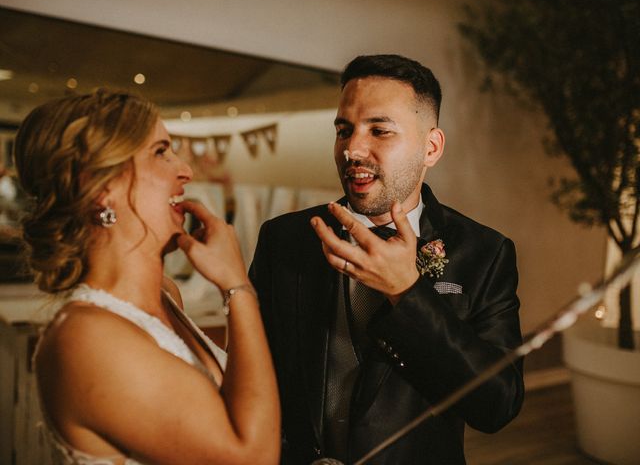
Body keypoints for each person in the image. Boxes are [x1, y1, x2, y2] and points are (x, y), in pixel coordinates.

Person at [249, 54, 524, 464]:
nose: (352, 149)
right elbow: (255, 371)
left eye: (379, 130)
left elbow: (497, 405)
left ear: (430, 147)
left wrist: (408, 292)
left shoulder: (484, 253)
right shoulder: (285, 239)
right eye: (344, 130)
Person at [14, 89, 280, 464]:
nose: (184, 169)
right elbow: (252, 457)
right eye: (160, 152)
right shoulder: (85, 338)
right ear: (103, 188)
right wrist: (238, 287)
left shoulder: (166, 294)